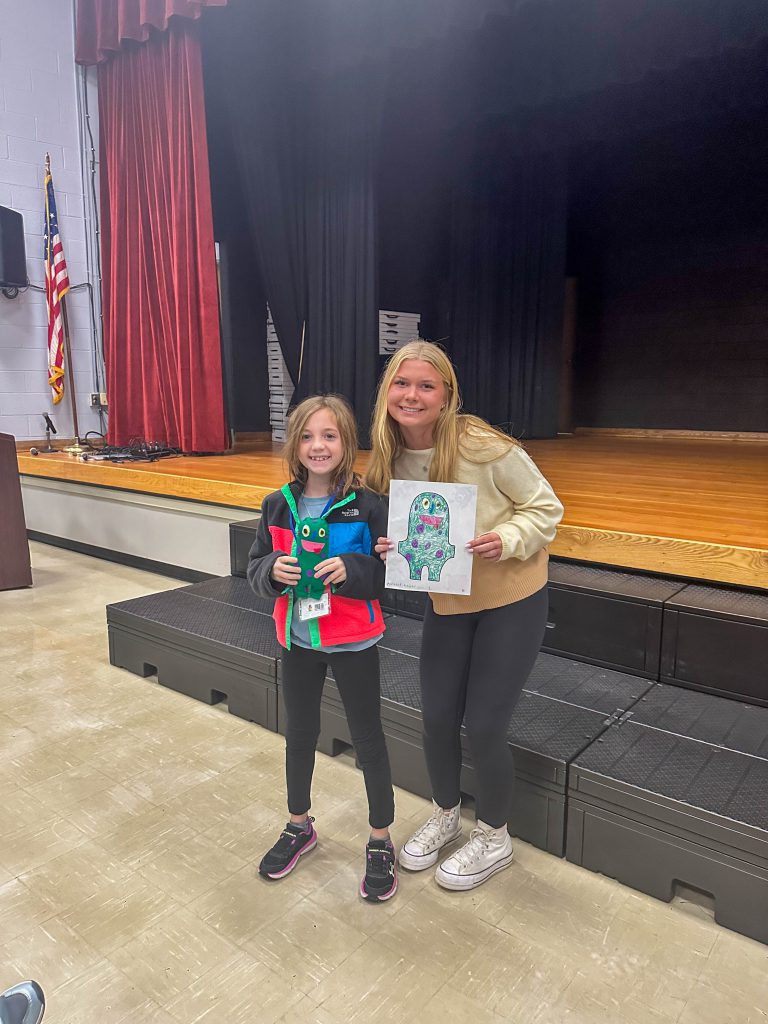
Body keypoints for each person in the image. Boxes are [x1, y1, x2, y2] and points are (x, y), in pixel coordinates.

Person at [366, 341, 563, 891]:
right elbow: (406, 533)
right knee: (434, 719)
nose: (412, 395)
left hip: (511, 600)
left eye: (426, 386)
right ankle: (448, 814)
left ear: (447, 395)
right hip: (448, 604)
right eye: (402, 384)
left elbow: (546, 507)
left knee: (483, 725)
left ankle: (495, 835)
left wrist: (507, 538)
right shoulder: (387, 453)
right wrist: (390, 547)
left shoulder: (481, 444)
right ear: (387, 393)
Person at [248, 394, 397, 902]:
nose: (318, 446)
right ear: (295, 444)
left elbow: (382, 576)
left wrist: (351, 571)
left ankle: (380, 838)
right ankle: (298, 825)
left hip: (354, 641)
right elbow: (253, 567)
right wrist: (270, 571)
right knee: (299, 733)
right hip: (297, 639)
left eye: (329, 436)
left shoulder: (370, 504)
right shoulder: (276, 504)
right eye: (308, 436)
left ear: (347, 442)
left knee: (368, 738)